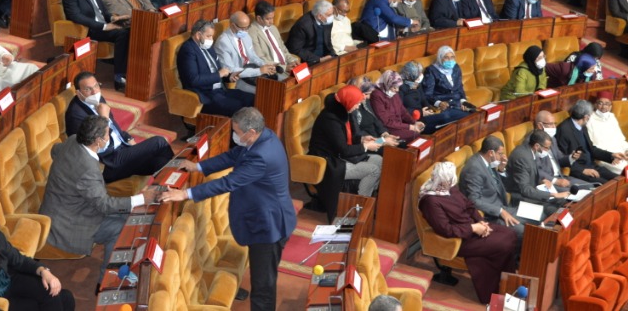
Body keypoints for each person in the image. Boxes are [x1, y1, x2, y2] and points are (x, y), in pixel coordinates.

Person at [159, 108, 296, 311]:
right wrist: (199, 167)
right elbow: (234, 155)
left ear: (251, 132)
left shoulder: (261, 156)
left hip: (269, 227)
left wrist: (185, 194)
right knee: (261, 276)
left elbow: (228, 183)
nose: (234, 135)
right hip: (262, 217)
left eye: (237, 132)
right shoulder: (263, 136)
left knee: (263, 287)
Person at [38, 116, 161, 272]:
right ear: (98, 141)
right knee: (119, 227)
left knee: (130, 214)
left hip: (68, 206)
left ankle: (130, 259)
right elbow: (104, 205)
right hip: (68, 224)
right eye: (107, 135)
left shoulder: (73, 140)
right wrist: (142, 198)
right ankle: (109, 277)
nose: (109, 138)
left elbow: (54, 150)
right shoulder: (88, 170)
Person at [417, 161, 520, 303]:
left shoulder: (451, 188)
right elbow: (446, 230)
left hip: (474, 227)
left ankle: (507, 287)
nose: (452, 183)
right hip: (460, 240)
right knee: (503, 245)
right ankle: (494, 292)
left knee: (510, 234)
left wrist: (481, 222)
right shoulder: (430, 201)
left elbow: (469, 206)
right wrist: (473, 228)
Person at [65, 72, 172, 183]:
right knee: (159, 142)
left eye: (96, 86)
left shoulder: (98, 99)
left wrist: (128, 139)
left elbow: (114, 127)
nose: (95, 92)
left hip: (122, 149)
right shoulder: (76, 115)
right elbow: (98, 146)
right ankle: (174, 177)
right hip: (108, 161)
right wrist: (104, 118)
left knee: (159, 162)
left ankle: (170, 186)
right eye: (88, 89)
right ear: (78, 93)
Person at [308, 85, 383, 220]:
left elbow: (346, 138)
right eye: (357, 103)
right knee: (373, 170)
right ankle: (359, 208)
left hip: (340, 155)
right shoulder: (330, 119)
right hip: (329, 161)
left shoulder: (342, 112)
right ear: (348, 102)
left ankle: (366, 198)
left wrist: (362, 139)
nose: (358, 106)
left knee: (379, 160)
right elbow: (343, 149)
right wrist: (365, 146)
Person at [62, 0, 130, 89]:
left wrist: (113, 18)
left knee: (130, 27)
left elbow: (102, 9)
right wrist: (104, 26)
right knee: (122, 34)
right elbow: (76, 17)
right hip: (91, 29)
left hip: (104, 23)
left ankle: (129, 70)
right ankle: (119, 77)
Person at [459, 137, 526, 240]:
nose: (502, 156)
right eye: (500, 153)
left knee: (537, 216)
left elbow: (498, 186)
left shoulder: (487, 161)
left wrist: (501, 170)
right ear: (491, 153)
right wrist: (500, 211)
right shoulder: (474, 169)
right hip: (491, 215)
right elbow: (473, 200)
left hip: (502, 207)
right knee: (523, 231)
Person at [555, 100, 616, 183]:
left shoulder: (582, 126)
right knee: (607, 185)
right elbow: (561, 158)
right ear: (586, 117)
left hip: (592, 165)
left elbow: (591, 149)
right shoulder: (563, 130)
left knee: (617, 179)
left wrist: (611, 155)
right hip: (579, 170)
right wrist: (583, 170)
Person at [584, 98, 628, 175]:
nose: (603, 107)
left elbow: (621, 139)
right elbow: (592, 147)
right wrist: (611, 156)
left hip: (622, 154)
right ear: (596, 105)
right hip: (607, 158)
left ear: (610, 106)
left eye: (607, 104)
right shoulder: (589, 120)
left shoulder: (612, 117)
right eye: (600, 103)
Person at [369, 70, 425, 141]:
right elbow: (385, 122)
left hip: (399, 125)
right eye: (394, 87)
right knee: (415, 135)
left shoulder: (393, 93)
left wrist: (414, 122)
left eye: (398, 87)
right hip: (389, 129)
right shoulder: (376, 95)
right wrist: (409, 127)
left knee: (421, 128)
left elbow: (403, 111)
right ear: (387, 84)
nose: (397, 90)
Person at [422, 46, 473, 120]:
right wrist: (439, 103)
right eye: (446, 57)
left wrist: (464, 101)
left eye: (452, 57)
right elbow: (427, 94)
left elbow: (460, 87)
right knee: (463, 118)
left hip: (457, 102)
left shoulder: (456, 67)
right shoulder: (431, 70)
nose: (450, 60)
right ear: (440, 58)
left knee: (474, 114)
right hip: (444, 105)